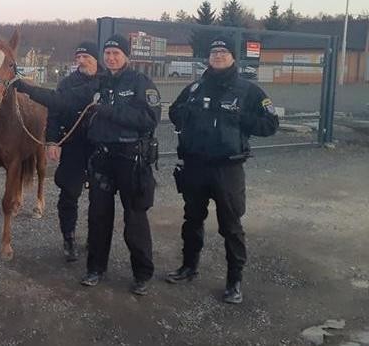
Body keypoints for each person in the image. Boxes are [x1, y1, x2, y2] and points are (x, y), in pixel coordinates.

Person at [15, 34, 161, 296]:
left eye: (116, 53)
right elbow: (60, 101)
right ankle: (95, 268)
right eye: (108, 54)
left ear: (126, 56)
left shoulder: (141, 83)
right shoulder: (97, 85)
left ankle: (142, 274)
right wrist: (25, 88)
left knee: (135, 219)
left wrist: (107, 111)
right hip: (103, 159)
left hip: (130, 160)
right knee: (98, 216)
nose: (112, 58)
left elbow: (149, 118)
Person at [166, 37, 278, 304]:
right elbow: (173, 112)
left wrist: (240, 120)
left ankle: (234, 281)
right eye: (213, 51)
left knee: (231, 226)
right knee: (192, 219)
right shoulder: (195, 87)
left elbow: (270, 123)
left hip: (227, 169)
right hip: (195, 165)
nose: (217, 55)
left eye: (223, 51)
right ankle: (188, 267)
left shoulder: (249, 91)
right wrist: (187, 120)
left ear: (233, 57)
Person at [46, 42, 99, 262]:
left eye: (86, 57)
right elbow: (54, 112)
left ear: (96, 59)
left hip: (100, 146)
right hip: (73, 143)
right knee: (69, 193)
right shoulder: (67, 84)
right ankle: (68, 238)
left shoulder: (107, 82)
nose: (81, 61)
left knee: (100, 197)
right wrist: (52, 141)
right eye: (78, 57)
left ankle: (95, 239)